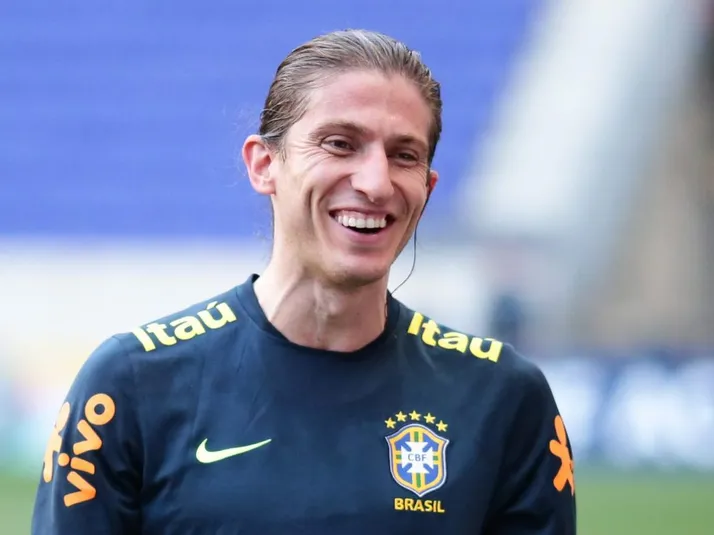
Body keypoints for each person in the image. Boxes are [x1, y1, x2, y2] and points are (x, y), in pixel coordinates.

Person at [31, 29, 576, 534]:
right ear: (263, 164)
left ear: (428, 188)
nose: (375, 182)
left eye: (403, 155)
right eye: (339, 143)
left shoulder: (504, 398)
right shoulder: (129, 385)